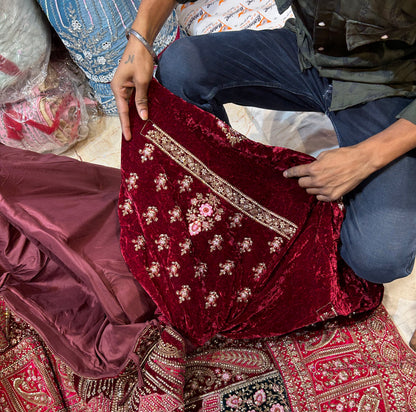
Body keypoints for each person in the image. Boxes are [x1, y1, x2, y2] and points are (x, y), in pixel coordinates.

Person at [111, 0, 416, 346]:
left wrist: (365, 157)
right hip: (311, 51)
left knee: (378, 257)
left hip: (392, 85)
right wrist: (139, 39)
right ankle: (227, 207)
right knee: (181, 67)